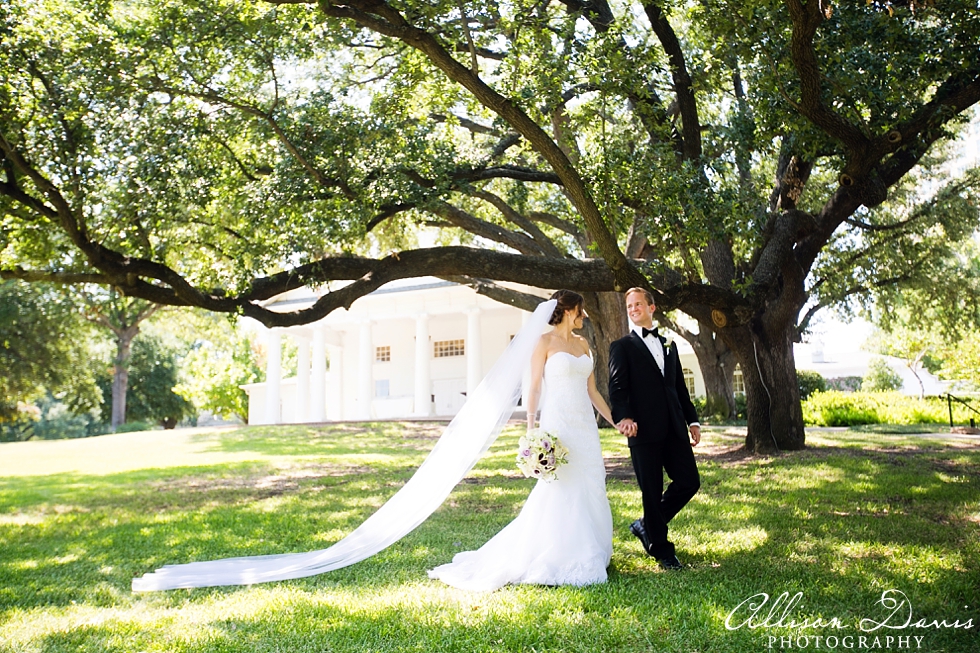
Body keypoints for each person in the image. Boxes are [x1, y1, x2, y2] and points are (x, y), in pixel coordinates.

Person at [428, 290, 616, 590]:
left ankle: (593, 547)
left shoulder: (583, 344)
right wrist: (532, 430)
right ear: (569, 310)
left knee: (591, 480)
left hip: (584, 425)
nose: (584, 316)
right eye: (580, 310)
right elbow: (535, 388)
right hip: (558, 424)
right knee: (561, 485)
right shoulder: (543, 342)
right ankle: (562, 552)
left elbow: (592, 391)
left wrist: (614, 420)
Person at [608, 287, 701, 570]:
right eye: (629, 306)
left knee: (689, 481)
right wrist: (624, 417)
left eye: (638, 304)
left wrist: (692, 420)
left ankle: (646, 524)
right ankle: (662, 551)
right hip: (642, 429)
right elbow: (617, 387)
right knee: (651, 489)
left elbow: (679, 387)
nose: (633, 309)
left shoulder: (669, 344)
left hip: (674, 426)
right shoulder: (621, 346)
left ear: (652, 307)